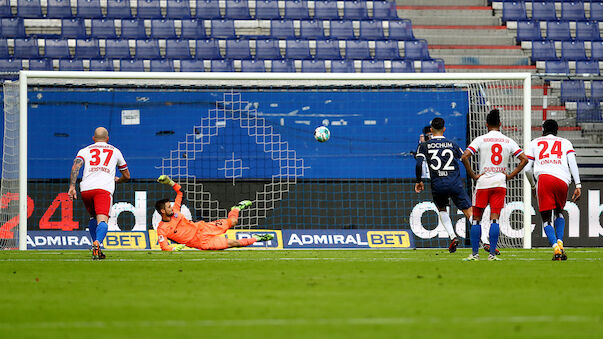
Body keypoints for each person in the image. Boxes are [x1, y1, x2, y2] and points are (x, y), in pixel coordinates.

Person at [461, 109, 528, 261]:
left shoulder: (481, 139)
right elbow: (524, 159)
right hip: (500, 183)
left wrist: (473, 175)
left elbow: (464, 157)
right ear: (500, 124)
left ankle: (475, 254)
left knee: (476, 218)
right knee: (495, 219)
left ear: (486, 125)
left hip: (483, 183)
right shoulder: (508, 141)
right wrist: (510, 175)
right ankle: (492, 254)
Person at [155, 175, 274, 251]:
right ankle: (257, 238)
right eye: (168, 207)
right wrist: (175, 248)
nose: (171, 208)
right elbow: (164, 247)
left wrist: (170, 182)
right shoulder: (162, 229)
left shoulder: (176, 211)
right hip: (202, 242)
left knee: (233, 221)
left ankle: (236, 209)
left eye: (171, 206)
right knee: (234, 243)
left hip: (204, 228)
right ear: (162, 211)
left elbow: (181, 192)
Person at [68, 127, 130, 260]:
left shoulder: (84, 150)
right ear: (107, 139)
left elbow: (76, 167)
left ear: (93, 139)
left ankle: (97, 249)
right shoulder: (115, 151)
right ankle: (98, 243)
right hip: (103, 189)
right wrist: (119, 180)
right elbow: (127, 175)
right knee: (102, 220)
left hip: (85, 189)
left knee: (92, 218)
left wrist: (72, 186)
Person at [524, 119, 581, 261]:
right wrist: (578, 185)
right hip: (563, 180)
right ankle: (561, 243)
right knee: (559, 212)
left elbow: (526, 169)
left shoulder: (534, 142)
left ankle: (555, 247)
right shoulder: (565, 142)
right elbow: (572, 163)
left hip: (544, 179)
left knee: (546, 218)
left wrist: (533, 185)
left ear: (543, 130)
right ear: (557, 130)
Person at [415, 118, 473, 253]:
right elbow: (464, 157)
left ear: (431, 130)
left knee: (442, 209)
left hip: (438, 184)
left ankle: (452, 236)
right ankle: (485, 240)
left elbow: (418, 164)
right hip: (455, 183)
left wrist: (419, 181)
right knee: (469, 212)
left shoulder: (424, 145)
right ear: (444, 129)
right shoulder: (452, 144)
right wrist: (472, 174)